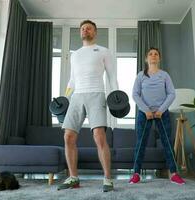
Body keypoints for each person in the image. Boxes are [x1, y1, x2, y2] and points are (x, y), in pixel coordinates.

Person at [57, 20, 118, 192]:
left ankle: (107, 179)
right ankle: (73, 177)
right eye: (83, 28)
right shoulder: (75, 54)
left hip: (96, 93)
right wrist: (65, 97)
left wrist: (116, 96)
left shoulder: (103, 51)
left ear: (95, 32)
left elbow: (112, 76)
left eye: (89, 28)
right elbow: (72, 80)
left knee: (99, 136)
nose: (85, 30)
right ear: (80, 32)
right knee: (68, 136)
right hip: (77, 96)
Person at [130, 47, 185, 185]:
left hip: (162, 113)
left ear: (159, 58)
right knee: (140, 143)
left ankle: (173, 173)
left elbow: (171, 94)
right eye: (150, 54)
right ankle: (136, 173)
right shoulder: (140, 76)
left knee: (167, 143)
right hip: (145, 114)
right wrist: (146, 110)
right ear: (146, 59)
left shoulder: (164, 75)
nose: (153, 56)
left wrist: (161, 110)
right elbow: (135, 94)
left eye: (156, 54)